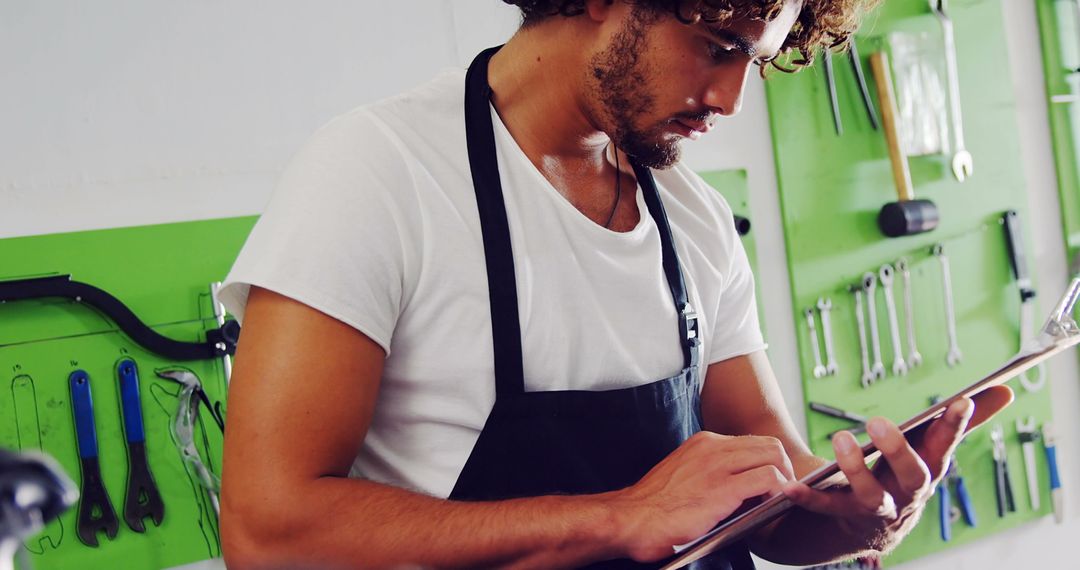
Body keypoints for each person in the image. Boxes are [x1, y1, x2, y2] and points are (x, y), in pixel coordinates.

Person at [216, 1, 1013, 568]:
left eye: (755, 60)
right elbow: (269, 533)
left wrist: (869, 518)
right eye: (720, 44)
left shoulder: (695, 219)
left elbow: (772, 510)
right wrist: (618, 519)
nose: (732, 100)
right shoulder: (379, 174)